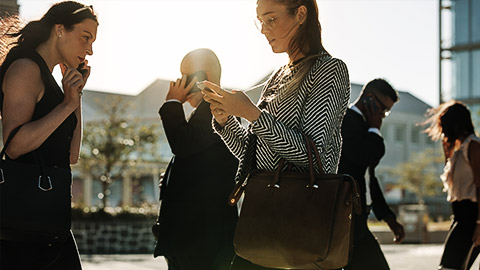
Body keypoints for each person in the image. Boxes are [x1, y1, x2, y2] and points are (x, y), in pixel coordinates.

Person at [202, 0, 350, 269]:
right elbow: (255, 156)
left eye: (271, 19)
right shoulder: (278, 75)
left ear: (301, 13)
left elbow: (312, 156)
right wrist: (226, 121)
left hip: (301, 228)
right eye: (260, 21)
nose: (263, 30)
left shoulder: (329, 70)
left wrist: (253, 114)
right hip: (262, 223)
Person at [0, 1, 97, 269]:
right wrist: (66, 105)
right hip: (24, 229)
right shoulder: (25, 69)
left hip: (50, 224)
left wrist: (75, 98)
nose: (89, 49)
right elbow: (14, 146)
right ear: (59, 30)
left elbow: (72, 155)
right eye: (85, 38)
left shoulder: (55, 82)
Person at [153, 48, 239, 270]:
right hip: (192, 238)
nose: (179, 83)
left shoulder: (217, 108)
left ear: (205, 78)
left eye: (186, 77)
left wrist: (172, 103)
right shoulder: (201, 112)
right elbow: (194, 157)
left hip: (204, 239)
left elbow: (183, 144)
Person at [336, 78, 404, 270]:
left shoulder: (365, 127)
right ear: (368, 98)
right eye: (382, 109)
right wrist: (374, 128)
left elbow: (368, 179)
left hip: (358, 218)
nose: (382, 115)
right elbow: (365, 157)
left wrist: (389, 219)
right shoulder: (346, 121)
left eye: (386, 112)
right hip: (343, 216)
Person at [423, 100, 480, 270]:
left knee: (449, 267)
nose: (442, 131)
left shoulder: (474, 146)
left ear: (455, 124)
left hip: (472, 219)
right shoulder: (459, 150)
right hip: (460, 218)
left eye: (444, 125)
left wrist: (479, 225)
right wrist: (446, 153)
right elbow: (452, 186)